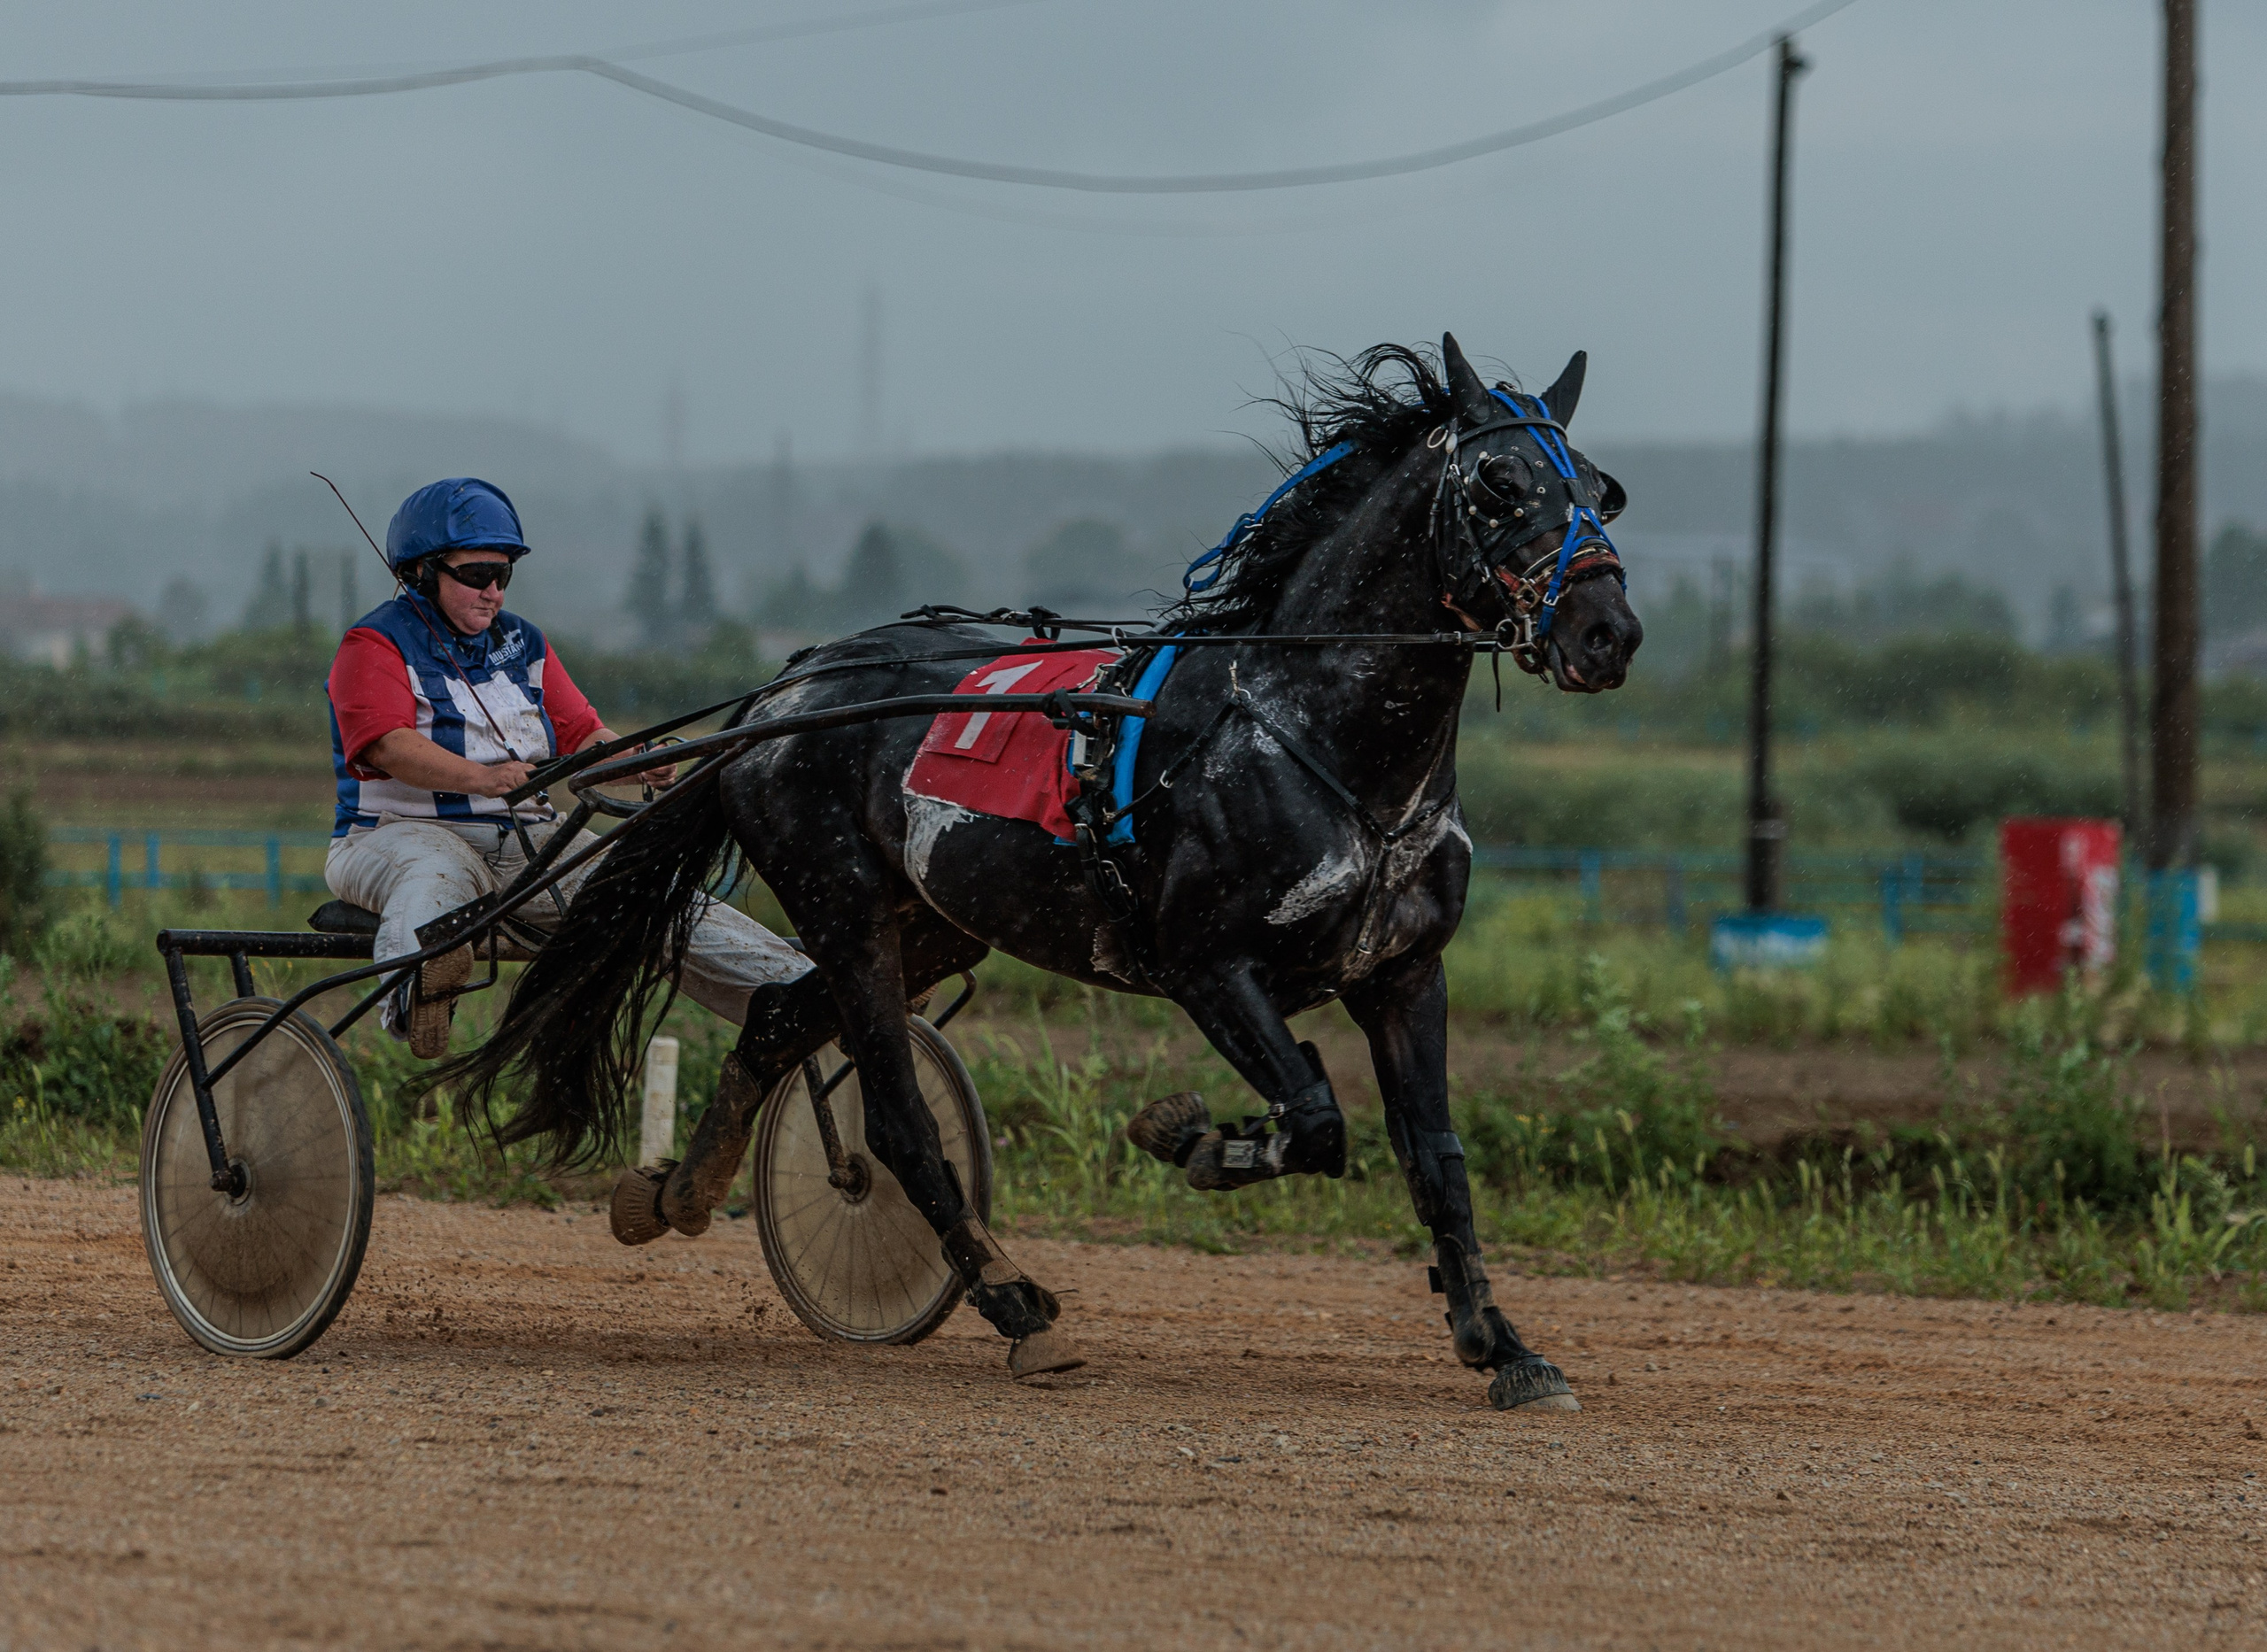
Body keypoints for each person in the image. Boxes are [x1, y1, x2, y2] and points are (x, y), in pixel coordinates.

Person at [322, 476, 809, 1057]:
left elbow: (583, 736)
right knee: (437, 880)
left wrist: (640, 762)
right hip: (396, 839)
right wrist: (481, 778)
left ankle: (807, 991)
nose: (494, 592)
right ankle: (414, 995)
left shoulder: (524, 643)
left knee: (656, 895)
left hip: (530, 848)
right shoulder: (373, 644)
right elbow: (385, 745)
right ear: (423, 572)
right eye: (477, 575)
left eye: (504, 575)